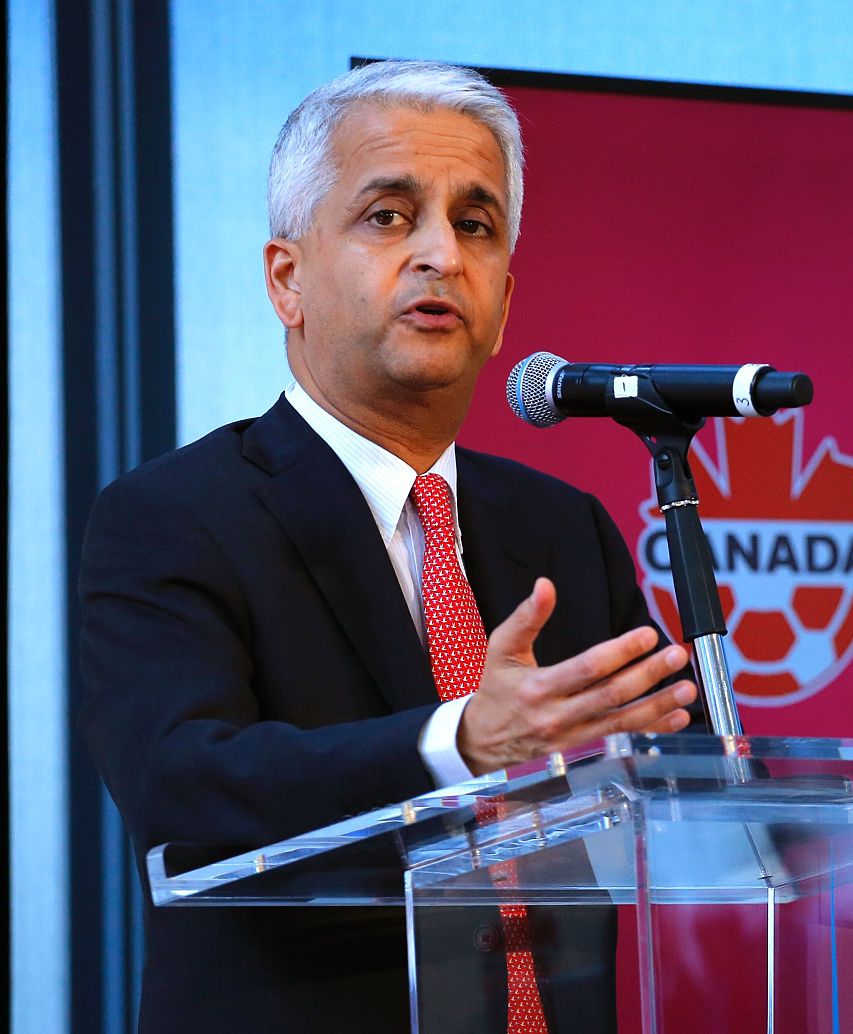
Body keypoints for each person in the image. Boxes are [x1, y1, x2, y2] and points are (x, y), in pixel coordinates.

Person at [77, 60, 698, 1033]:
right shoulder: (175, 514)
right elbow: (184, 783)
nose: (442, 254)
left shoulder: (562, 526)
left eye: (476, 224)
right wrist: (461, 742)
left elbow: (686, 785)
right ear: (287, 278)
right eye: (389, 216)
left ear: (504, 292)